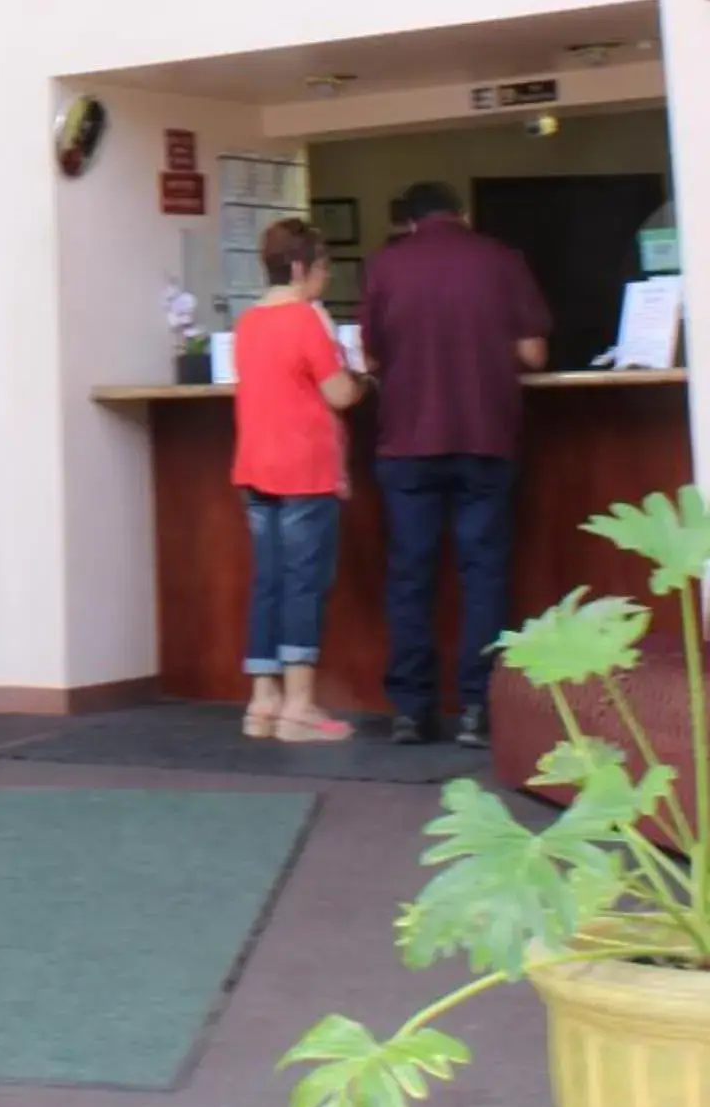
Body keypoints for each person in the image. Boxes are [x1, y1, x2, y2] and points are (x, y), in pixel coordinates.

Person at [362, 180, 550, 748]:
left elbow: (369, 356)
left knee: (410, 578)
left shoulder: (385, 267)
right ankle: (479, 709)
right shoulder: (502, 259)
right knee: (484, 574)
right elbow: (534, 352)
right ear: (462, 214)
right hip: (486, 436)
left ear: (409, 219)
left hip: (408, 443)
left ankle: (412, 713)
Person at [232, 217, 364, 743]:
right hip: (304, 471)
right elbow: (339, 395)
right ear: (300, 267)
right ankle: (300, 708)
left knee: (268, 582)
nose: (326, 279)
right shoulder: (306, 320)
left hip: (254, 467)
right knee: (304, 585)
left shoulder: (248, 324)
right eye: (324, 268)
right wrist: (357, 376)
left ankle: (262, 703)